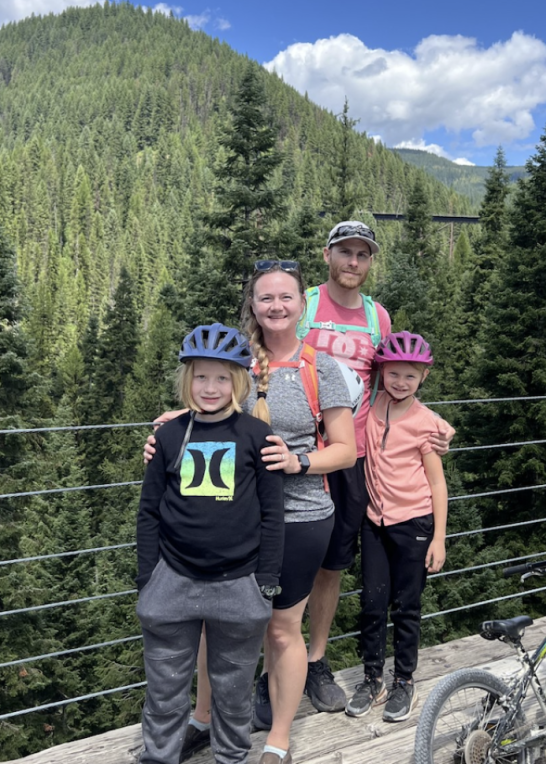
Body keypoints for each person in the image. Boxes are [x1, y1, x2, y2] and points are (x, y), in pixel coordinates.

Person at [147, 262, 357, 764]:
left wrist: (298, 461)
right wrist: (174, 427)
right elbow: (215, 404)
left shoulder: (320, 368)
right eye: (266, 298)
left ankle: (278, 740)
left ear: (301, 304)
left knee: (282, 628)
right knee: (208, 620)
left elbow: (345, 450)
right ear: (253, 305)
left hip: (301, 516)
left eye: (286, 297)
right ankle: (204, 717)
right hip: (232, 516)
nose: (277, 306)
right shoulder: (244, 360)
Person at [291, 220, 455, 713]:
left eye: (363, 255)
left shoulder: (377, 316)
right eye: (346, 252)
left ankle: (314, 664)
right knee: (283, 563)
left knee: (333, 565)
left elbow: (392, 382)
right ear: (328, 255)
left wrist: (433, 427)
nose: (353, 262)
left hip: (350, 459)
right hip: (296, 452)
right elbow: (263, 359)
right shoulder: (304, 305)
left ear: (369, 262)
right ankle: (279, 664)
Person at [135, 323, 285, 764]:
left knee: (234, 692)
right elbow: (148, 512)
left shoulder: (258, 438)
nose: (210, 387)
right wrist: (148, 578)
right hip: (172, 580)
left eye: (222, 377)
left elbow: (272, 514)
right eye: (201, 376)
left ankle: (231, 758)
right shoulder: (166, 436)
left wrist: (267, 581)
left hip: (240, 584)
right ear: (187, 379)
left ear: (239, 380)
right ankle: (158, 757)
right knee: (164, 690)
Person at [343, 331, 447, 722]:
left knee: (407, 605)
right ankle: (373, 677)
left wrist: (438, 537)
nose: (400, 382)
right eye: (393, 373)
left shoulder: (426, 424)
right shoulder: (374, 404)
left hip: (414, 523)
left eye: (410, 376)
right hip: (375, 521)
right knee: (371, 603)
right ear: (381, 372)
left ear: (423, 379)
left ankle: (403, 680)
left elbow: (437, 483)